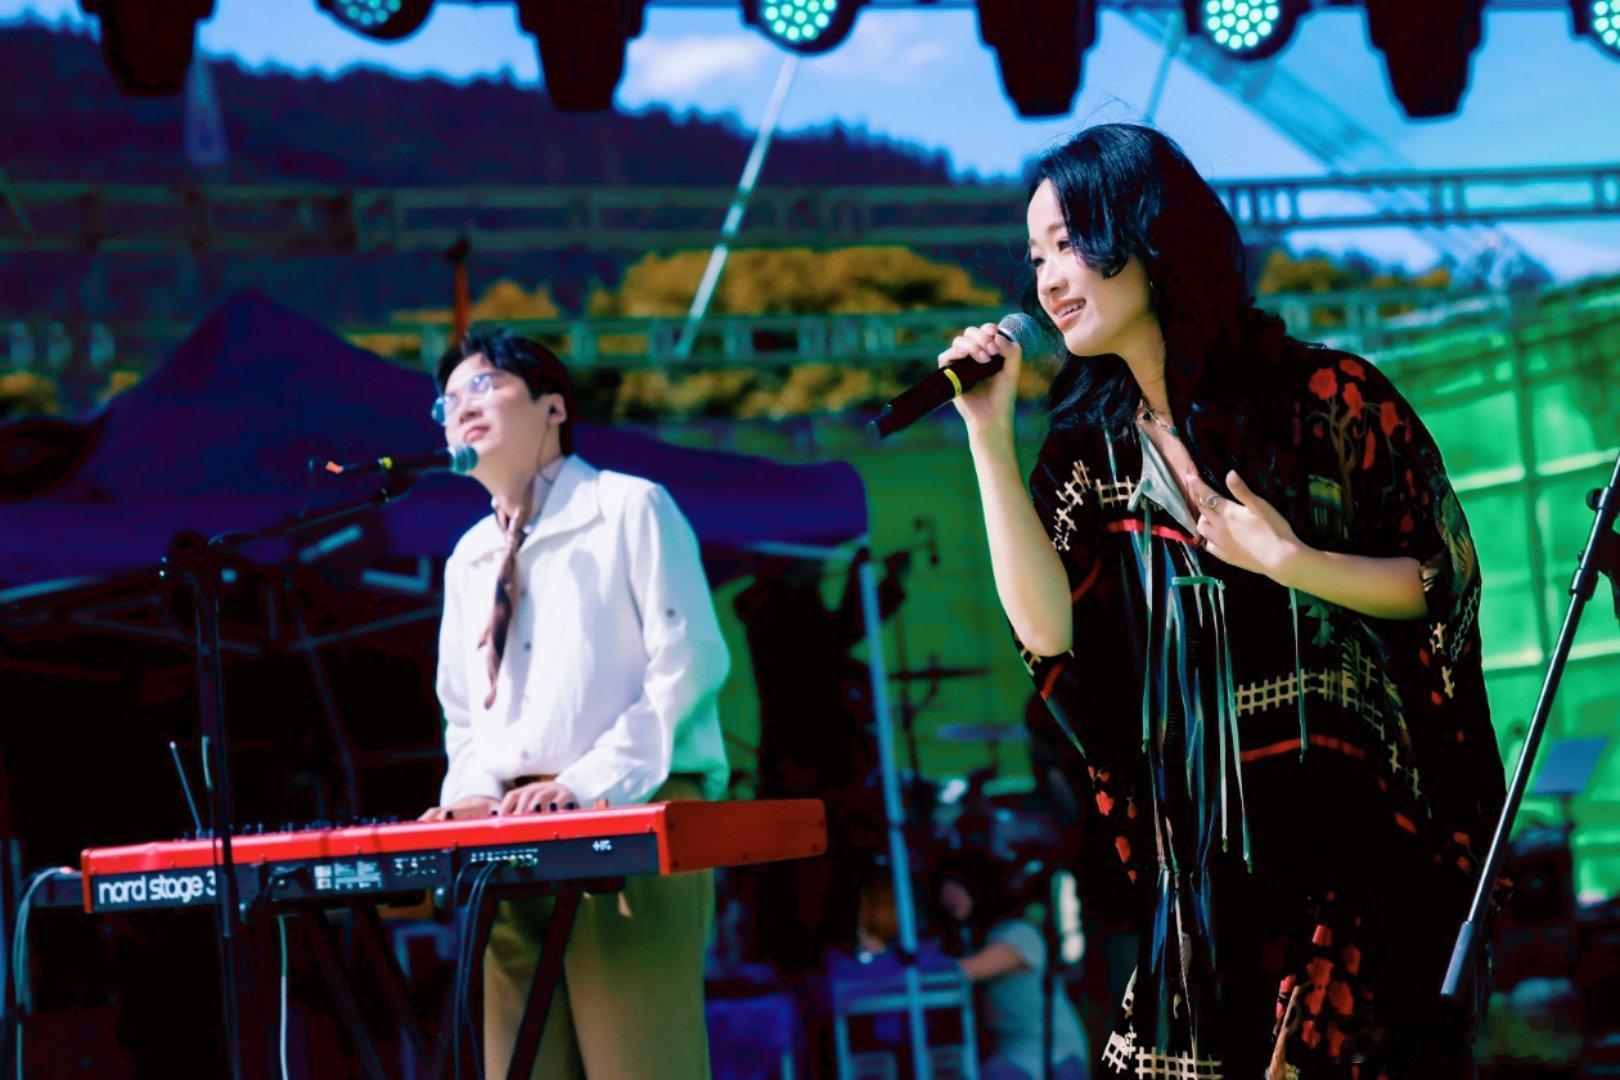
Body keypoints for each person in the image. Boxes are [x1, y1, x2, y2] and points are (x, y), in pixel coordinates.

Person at [939, 124, 1504, 1078]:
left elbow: (1437, 582)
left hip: (1356, 857)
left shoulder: (1325, 397)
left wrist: (1289, 559)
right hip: (1206, 882)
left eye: (1068, 243)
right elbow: (1046, 632)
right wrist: (986, 437)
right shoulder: (1089, 453)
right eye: (1035, 258)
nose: (1048, 280)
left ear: (1146, 232)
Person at [417, 329, 730, 1079]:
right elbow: (464, 713)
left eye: (485, 384)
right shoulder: (468, 557)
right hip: (508, 841)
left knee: (639, 1063)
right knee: (517, 1064)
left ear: (554, 407)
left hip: (631, 813)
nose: (462, 406)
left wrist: (585, 784)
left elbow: (687, 664)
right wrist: (471, 794)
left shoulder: (630, 507)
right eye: (448, 399)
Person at [936, 852, 1091, 1080]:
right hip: (1016, 1051)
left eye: (955, 886)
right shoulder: (982, 939)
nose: (945, 897)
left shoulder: (1018, 935)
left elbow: (966, 970)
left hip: (1050, 1052)